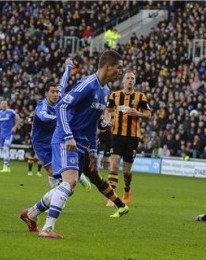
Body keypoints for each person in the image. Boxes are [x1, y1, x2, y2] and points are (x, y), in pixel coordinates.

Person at [20, 50, 128, 239]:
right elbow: (62, 105)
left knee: (67, 187)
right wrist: (68, 135)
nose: (120, 72)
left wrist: (93, 151)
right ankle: (48, 228)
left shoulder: (105, 91)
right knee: (70, 182)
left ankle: (30, 214)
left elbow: (93, 121)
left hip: (80, 142)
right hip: (65, 138)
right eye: (118, 68)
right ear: (107, 66)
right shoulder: (87, 84)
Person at [26, 58, 91, 190]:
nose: (56, 94)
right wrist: (60, 117)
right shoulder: (41, 107)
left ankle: (72, 180)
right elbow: (44, 117)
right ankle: (59, 192)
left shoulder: (60, 95)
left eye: (56, 92)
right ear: (46, 94)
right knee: (51, 171)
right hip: (41, 142)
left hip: (56, 137)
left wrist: (68, 66)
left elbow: (64, 81)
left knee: (63, 168)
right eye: (52, 92)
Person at [106, 70, 151, 206]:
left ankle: (126, 190)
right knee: (113, 165)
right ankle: (112, 197)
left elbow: (148, 114)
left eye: (132, 78)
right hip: (116, 135)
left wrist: (137, 113)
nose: (130, 80)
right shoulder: (114, 95)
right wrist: (108, 120)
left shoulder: (140, 96)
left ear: (134, 81)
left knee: (126, 171)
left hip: (132, 137)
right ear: (123, 81)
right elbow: (107, 111)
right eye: (128, 78)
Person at [0, 100, 21, 173]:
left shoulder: (11, 112)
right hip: (2, 135)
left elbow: (19, 119)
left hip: (9, 134)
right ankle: (7, 167)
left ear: (7, 105)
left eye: (5, 104)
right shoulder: (0, 114)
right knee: (3, 150)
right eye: (2, 104)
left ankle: (5, 167)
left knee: (6, 148)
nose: (3, 105)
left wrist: (15, 127)